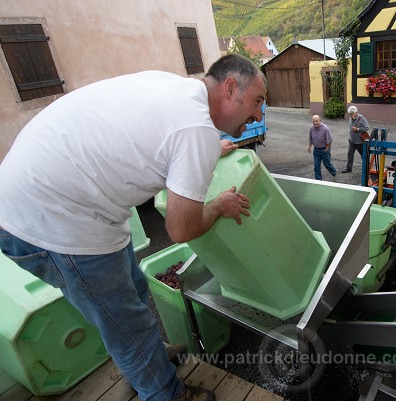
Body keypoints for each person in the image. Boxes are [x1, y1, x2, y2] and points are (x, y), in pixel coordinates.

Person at [0, 54, 266, 401]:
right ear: (231, 88)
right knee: (126, 326)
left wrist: (210, 150)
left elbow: (167, 141)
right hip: (51, 219)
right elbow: (181, 229)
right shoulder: (195, 130)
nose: (259, 115)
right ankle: (164, 392)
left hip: (53, 195)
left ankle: (151, 357)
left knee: (135, 289)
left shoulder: (180, 92)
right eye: (258, 102)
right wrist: (218, 206)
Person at [307, 114, 337, 180]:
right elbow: (310, 139)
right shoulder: (312, 129)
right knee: (316, 166)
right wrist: (309, 147)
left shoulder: (325, 128)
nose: (315, 123)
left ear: (320, 120)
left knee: (327, 164)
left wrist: (326, 149)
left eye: (316, 121)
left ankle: (334, 172)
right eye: (313, 121)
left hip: (324, 150)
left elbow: (329, 140)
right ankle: (318, 180)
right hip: (316, 150)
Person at [342, 105, 369, 173]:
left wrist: (358, 129)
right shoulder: (351, 118)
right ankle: (348, 168)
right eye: (349, 114)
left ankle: (366, 168)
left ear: (356, 112)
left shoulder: (361, 118)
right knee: (350, 154)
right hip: (352, 141)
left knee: (363, 155)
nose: (350, 116)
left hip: (360, 142)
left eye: (352, 114)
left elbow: (367, 127)